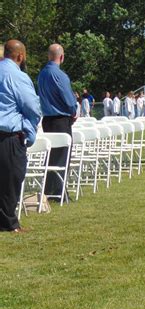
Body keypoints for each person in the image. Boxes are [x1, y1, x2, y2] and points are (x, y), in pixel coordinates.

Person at [0, 40, 42, 232]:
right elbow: (32, 107)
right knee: (11, 179)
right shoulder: (18, 76)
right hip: (8, 136)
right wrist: (29, 129)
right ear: (20, 56)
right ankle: (9, 224)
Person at [38, 43, 78, 201]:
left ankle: (48, 189)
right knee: (63, 156)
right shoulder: (60, 75)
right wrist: (73, 110)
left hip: (47, 119)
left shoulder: (41, 74)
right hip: (61, 119)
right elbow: (68, 98)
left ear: (49, 56)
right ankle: (60, 192)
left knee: (51, 156)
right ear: (61, 57)